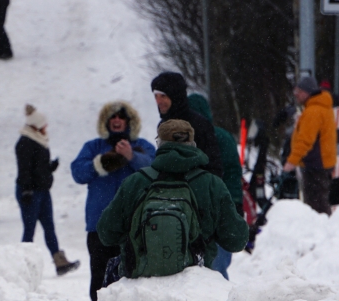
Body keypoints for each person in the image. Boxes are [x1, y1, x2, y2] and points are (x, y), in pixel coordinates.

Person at [96, 120, 247, 282]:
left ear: (159, 144)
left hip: (142, 286)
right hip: (196, 287)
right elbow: (237, 240)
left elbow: (106, 233)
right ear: (193, 144)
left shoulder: (136, 182)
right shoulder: (211, 184)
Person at [71, 100, 156, 301]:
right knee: (99, 279)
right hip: (98, 227)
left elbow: (155, 170)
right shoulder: (93, 147)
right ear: (106, 122)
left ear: (129, 122)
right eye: (113, 117)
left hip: (133, 227)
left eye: (121, 117)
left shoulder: (142, 146)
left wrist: (131, 157)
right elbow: (78, 172)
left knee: (131, 277)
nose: (117, 120)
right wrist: (101, 163)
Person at [15, 105, 79, 276]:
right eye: (44, 124)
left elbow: (36, 167)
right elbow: (25, 169)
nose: (46, 127)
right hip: (30, 191)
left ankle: (59, 261)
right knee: (29, 229)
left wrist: (49, 168)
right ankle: (22, 265)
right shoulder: (25, 142)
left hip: (42, 190)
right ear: (36, 125)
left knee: (49, 226)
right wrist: (26, 190)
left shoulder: (37, 139)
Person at [188, 93, 242, 280]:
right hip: (222, 207)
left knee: (206, 266)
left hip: (202, 208)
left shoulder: (193, 138)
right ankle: (221, 300)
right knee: (217, 265)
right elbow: (234, 173)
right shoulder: (223, 137)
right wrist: (236, 202)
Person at [150, 71, 222, 178]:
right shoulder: (162, 125)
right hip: (168, 191)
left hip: (195, 190)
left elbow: (213, 166)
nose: (158, 101)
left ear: (175, 96)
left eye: (163, 96)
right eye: (156, 96)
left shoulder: (199, 124)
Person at [284, 76, 337, 216]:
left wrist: (291, 161)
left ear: (308, 92)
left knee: (315, 207)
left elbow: (305, 140)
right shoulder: (320, 107)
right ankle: (323, 229)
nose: (296, 94)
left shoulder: (313, 111)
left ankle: (321, 232)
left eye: (299, 91)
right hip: (321, 163)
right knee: (320, 202)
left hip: (315, 164)